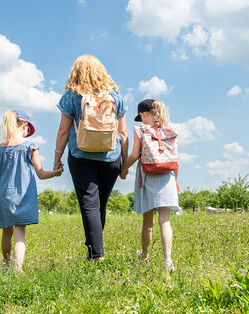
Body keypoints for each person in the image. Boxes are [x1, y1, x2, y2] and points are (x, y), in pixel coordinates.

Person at [54, 54, 128, 261]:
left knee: (89, 205)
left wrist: (57, 157)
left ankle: (96, 254)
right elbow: (123, 134)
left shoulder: (71, 96)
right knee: (99, 205)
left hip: (81, 155)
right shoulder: (115, 96)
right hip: (110, 156)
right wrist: (124, 164)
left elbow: (63, 131)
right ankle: (95, 251)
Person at [0, 110, 63, 271]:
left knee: (6, 232)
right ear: (24, 125)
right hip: (22, 196)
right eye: (27, 130)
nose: (27, 134)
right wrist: (56, 173)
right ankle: (18, 267)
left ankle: (6, 264)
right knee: (19, 233)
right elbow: (41, 174)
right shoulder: (30, 147)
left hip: (3, 196)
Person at [120, 99, 179, 271]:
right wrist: (175, 181)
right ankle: (167, 260)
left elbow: (133, 155)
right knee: (165, 220)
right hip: (167, 176)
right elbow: (176, 161)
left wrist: (123, 169)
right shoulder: (170, 131)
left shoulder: (140, 129)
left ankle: (144, 256)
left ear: (142, 114)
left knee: (148, 221)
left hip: (146, 176)